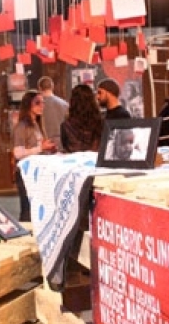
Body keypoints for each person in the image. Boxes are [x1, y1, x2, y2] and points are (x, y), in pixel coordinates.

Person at [13, 90, 57, 221]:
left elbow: (36, 148)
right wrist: (40, 148)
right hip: (25, 173)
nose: (41, 106)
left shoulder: (36, 124)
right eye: (37, 103)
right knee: (27, 208)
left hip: (36, 172)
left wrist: (47, 149)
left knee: (35, 208)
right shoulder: (21, 127)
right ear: (28, 105)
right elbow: (17, 153)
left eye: (42, 103)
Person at [60, 84, 104, 153]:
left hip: (73, 161)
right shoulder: (100, 123)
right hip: (95, 160)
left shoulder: (66, 125)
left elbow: (65, 145)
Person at [37, 76, 69, 151]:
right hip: (63, 143)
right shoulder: (65, 104)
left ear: (39, 88)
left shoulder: (37, 106)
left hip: (44, 144)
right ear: (52, 87)